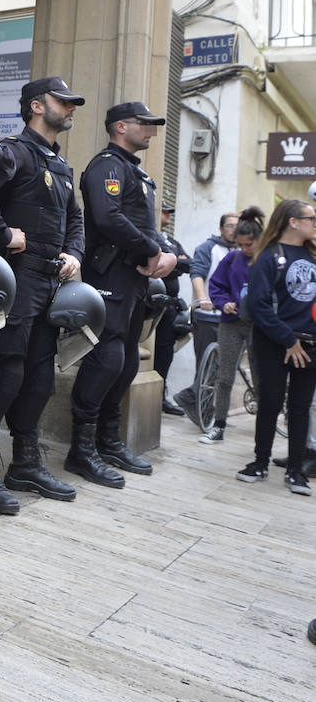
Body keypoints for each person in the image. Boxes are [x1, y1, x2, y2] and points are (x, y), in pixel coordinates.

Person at [0, 76, 85, 514]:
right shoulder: (15, 151)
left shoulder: (60, 164)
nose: (70, 109)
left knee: (39, 376)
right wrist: (0, 233)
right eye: (62, 102)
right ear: (36, 105)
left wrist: (74, 253)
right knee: (5, 371)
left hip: (52, 281)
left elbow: (76, 218)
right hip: (19, 276)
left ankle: (25, 463)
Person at [68, 101, 177, 487]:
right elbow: (107, 217)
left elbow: (147, 226)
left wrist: (166, 253)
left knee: (127, 358)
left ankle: (108, 440)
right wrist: (152, 250)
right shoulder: (107, 166)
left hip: (134, 280)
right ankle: (81, 450)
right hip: (110, 273)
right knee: (106, 357)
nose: (151, 131)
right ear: (120, 127)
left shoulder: (135, 172)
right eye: (143, 124)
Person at [236, 198, 316, 495]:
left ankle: (296, 470)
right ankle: (260, 462)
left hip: (310, 345)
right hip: (274, 342)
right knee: (270, 402)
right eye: (311, 219)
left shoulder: (314, 255)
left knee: (300, 407)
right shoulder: (268, 256)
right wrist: (289, 340)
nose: (315, 223)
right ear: (293, 222)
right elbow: (258, 305)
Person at [199, 206, 264, 444]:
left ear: (259, 240)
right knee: (224, 377)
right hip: (231, 323)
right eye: (241, 244)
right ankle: (218, 426)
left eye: (249, 244)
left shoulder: (268, 260)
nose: (245, 249)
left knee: (261, 379)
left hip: (260, 326)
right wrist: (223, 303)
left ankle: (263, 433)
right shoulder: (232, 258)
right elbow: (216, 285)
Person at [176, 211, 239, 414]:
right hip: (207, 316)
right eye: (230, 226)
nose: (234, 230)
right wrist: (203, 299)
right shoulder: (208, 247)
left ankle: (198, 404)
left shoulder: (241, 251)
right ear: (221, 228)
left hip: (231, 318)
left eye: (237, 226)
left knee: (221, 365)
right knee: (208, 363)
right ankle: (198, 405)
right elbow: (197, 274)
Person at [154, 204, 191, 415]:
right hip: (153, 303)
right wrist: (177, 262)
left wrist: (173, 263)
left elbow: (190, 263)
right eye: (164, 210)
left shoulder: (172, 242)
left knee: (165, 352)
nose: (167, 215)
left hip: (170, 304)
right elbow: (161, 262)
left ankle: (160, 396)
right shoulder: (154, 236)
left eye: (169, 212)